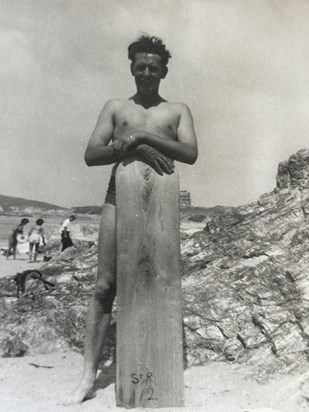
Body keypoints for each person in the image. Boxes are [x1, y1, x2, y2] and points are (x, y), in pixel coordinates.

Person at [66, 34, 198, 404]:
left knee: (160, 282)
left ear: (164, 72)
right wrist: (135, 146)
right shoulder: (115, 107)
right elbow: (92, 154)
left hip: (161, 201)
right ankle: (88, 376)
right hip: (118, 196)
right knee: (105, 284)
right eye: (139, 67)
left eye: (153, 68)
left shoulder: (177, 111)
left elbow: (190, 152)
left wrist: (141, 136)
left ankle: (156, 371)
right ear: (132, 69)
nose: (145, 74)